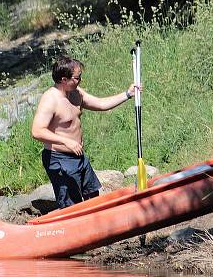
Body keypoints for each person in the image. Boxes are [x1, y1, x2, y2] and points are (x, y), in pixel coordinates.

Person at [31, 56, 140, 209]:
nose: (80, 80)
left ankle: (99, 227)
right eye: (77, 77)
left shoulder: (76, 93)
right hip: (60, 159)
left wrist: (127, 94)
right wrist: (66, 141)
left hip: (79, 157)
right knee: (71, 205)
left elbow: (101, 104)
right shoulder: (50, 100)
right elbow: (37, 131)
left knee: (92, 195)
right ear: (64, 79)